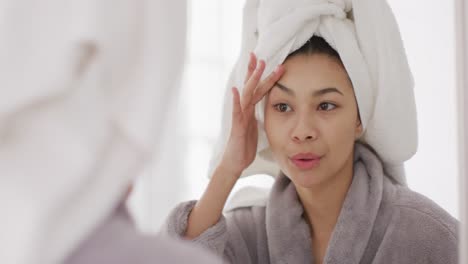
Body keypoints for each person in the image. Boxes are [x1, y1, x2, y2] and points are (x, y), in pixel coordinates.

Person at [161, 0, 459, 262]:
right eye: (283, 107)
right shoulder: (246, 236)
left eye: (326, 106)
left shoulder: (430, 238)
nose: (302, 131)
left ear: (359, 118)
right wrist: (229, 167)